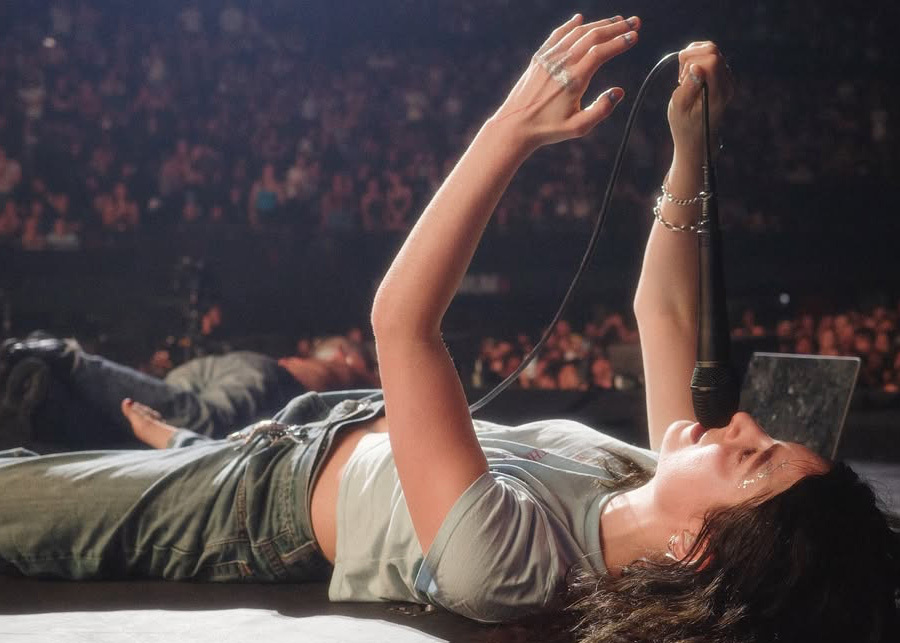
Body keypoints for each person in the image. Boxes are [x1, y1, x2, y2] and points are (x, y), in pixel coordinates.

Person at [0, 16, 897, 643]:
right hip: (310, 430)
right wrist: (692, 146)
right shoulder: (646, 474)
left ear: (696, 548)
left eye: (752, 459)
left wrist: (511, 128)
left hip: (251, 504)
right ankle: (184, 439)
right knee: (142, 427)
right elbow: (660, 312)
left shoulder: (513, 569)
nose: (741, 423)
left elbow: (401, 320)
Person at [0, 334, 377, 450]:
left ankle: (46, 396)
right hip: (263, 377)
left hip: (194, 380)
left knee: (141, 437)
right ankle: (69, 360)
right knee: (211, 424)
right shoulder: (344, 365)